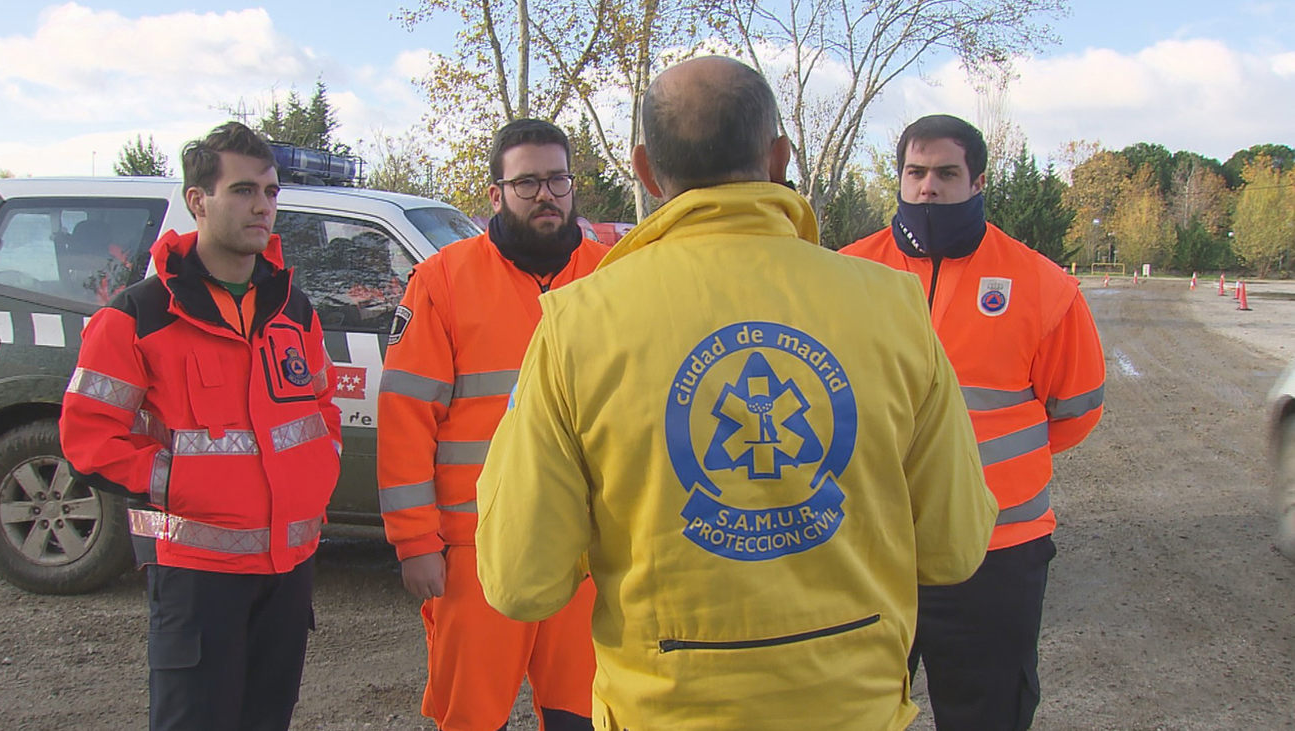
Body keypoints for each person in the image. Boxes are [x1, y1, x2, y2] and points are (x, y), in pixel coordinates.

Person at [473, 56, 999, 731]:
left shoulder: (578, 324)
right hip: (852, 710)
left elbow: (521, 579)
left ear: (643, 168)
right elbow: (954, 547)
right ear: (779, 157)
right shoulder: (894, 307)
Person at [59, 121, 342, 731]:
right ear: (198, 200)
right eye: (243, 191)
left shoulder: (292, 308)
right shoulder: (138, 315)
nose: (262, 206)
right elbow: (87, 437)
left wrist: (320, 471)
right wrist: (176, 480)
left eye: (270, 192)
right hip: (196, 576)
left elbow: (321, 406)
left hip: (289, 569)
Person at [840, 114, 1106, 731]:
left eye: (945, 173)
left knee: (990, 714)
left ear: (978, 180)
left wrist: (992, 479)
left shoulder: (1040, 283)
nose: (927, 187)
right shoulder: (846, 275)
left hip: (997, 551)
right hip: (869, 547)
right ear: (900, 178)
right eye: (915, 172)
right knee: (855, 713)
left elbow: (1076, 411)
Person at [377, 118, 606, 731]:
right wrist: (414, 541)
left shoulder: (615, 275)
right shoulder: (444, 280)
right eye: (526, 182)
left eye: (557, 179)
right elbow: (405, 419)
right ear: (496, 193)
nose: (546, 194)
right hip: (475, 551)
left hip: (587, 548)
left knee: (582, 716)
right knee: (473, 717)